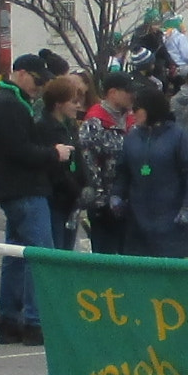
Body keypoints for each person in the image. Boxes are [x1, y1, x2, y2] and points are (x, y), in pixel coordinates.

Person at [0, 53, 60, 346]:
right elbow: (20, 150)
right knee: (41, 256)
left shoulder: (8, 102)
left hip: (12, 189)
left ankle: (9, 319)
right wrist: (53, 153)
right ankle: (34, 321)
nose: (38, 87)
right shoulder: (10, 105)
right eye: (36, 79)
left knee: (16, 256)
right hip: (24, 188)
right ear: (20, 73)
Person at [112, 87, 188, 257]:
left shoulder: (178, 136)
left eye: (137, 109)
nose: (133, 114)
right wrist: (117, 194)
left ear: (150, 109)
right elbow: (123, 171)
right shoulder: (132, 137)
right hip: (138, 218)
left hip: (171, 217)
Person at [80, 71, 135, 254]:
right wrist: (100, 201)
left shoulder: (131, 120)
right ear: (112, 93)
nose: (132, 95)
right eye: (127, 91)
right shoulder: (94, 122)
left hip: (129, 201)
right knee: (106, 256)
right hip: (103, 206)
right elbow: (89, 163)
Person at [38, 74, 89, 249]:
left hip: (71, 200)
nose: (78, 106)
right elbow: (54, 169)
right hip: (56, 199)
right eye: (73, 102)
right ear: (59, 103)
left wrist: (85, 183)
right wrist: (75, 189)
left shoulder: (70, 125)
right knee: (57, 248)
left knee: (68, 248)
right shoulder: (45, 127)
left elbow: (79, 157)